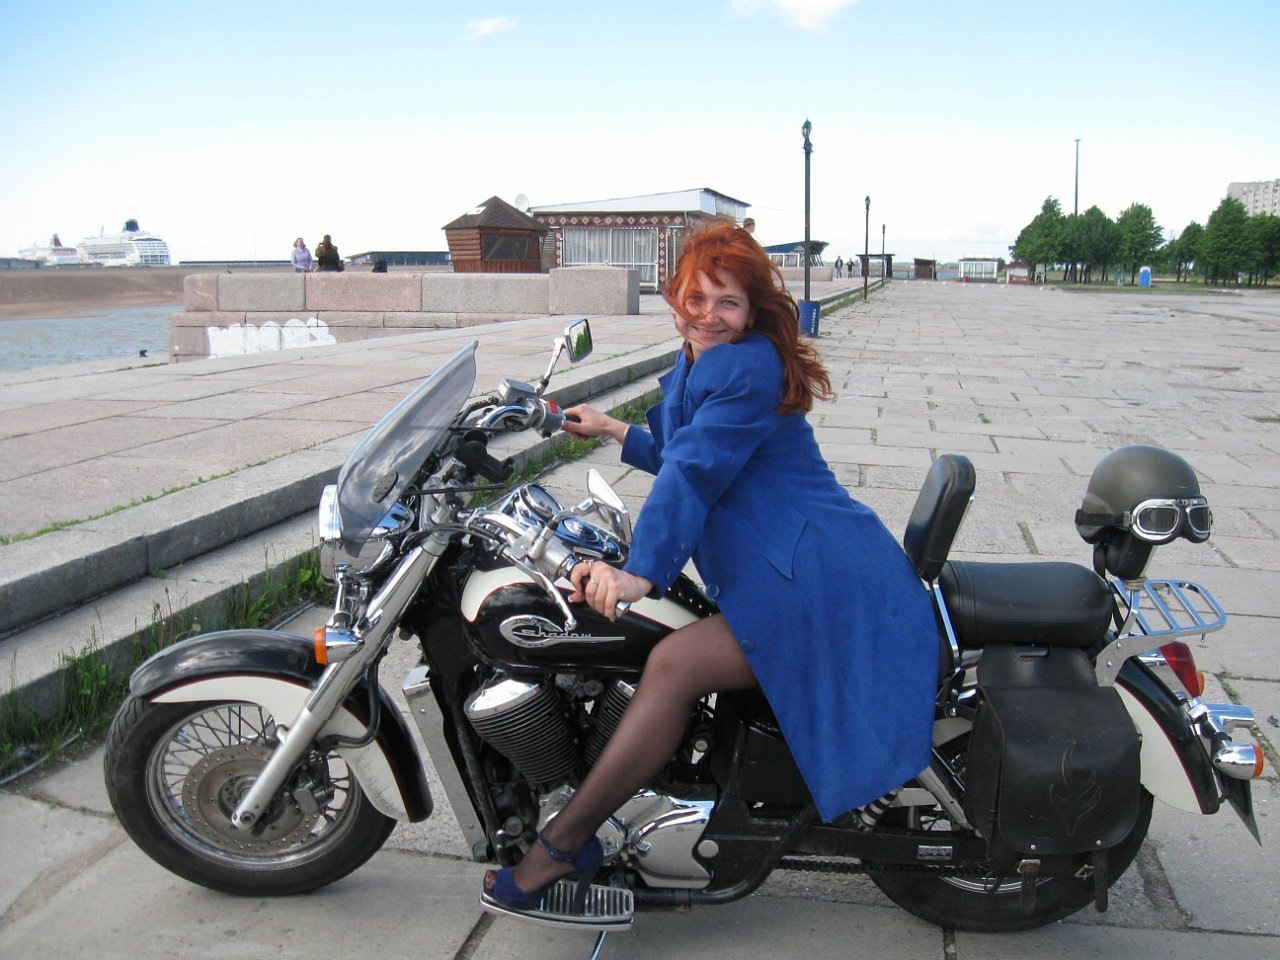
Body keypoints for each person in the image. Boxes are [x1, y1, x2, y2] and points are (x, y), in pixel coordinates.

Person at [482, 221, 939, 917]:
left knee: (673, 663)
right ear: (676, 298)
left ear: (752, 311)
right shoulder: (702, 358)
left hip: (811, 574)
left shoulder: (742, 366)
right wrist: (612, 430)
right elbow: (688, 448)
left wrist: (641, 571)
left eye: (727, 302)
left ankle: (566, 843)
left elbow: (693, 471)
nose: (709, 314)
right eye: (697, 298)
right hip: (796, 555)